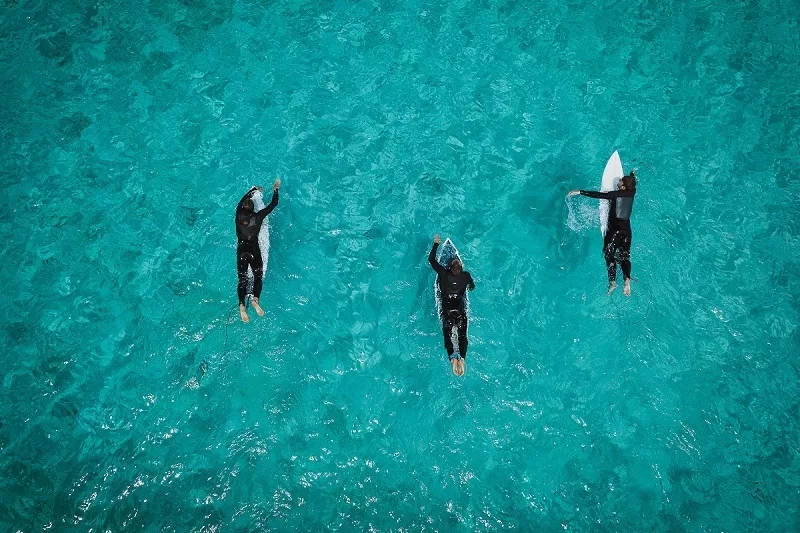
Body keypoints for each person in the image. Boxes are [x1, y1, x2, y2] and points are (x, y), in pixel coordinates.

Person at [568, 171, 637, 296]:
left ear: (623, 186)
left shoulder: (615, 195)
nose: (618, 182)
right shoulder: (632, 192)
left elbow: (599, 195)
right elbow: (633, 184)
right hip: (627, 231)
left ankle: (612, 282)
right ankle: (627, 280)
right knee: (624, 256)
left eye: (620, 181)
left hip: (614, 231)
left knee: (609, 255)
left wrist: (580, 191)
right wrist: (632, 175)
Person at [428, 234, 475, 376]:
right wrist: (468, 286)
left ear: (449, 267)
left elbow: (431, 260)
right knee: (462, 336)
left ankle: (452, 358)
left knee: (448, 336)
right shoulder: (466, 276)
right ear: (460, 267)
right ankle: (462, 358)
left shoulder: (443, 273)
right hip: (460, 311)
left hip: (447, 311)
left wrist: (436, 243)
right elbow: (472, 286)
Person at [235, 179, 280, 323]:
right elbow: (273, 204)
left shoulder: (238, 215)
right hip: (254, 251)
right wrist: (275, 189)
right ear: (253, 208)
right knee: (257, 276)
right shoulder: (258, 216)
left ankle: (242, 304)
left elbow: (241, 201)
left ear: (243, 207)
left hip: (242, 251)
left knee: (242, 279)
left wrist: (252, 190)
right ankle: (255, 300)